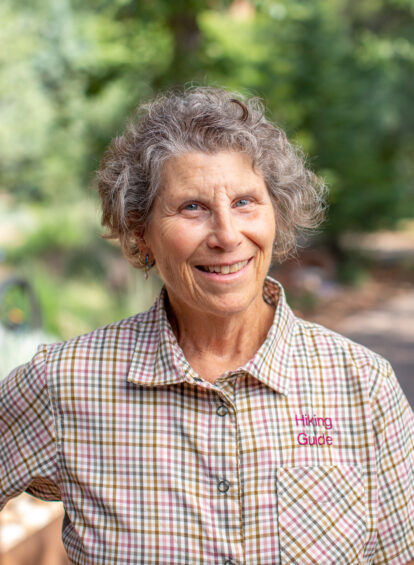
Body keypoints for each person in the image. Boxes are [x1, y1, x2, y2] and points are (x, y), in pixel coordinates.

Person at [1, 86, 413, 565]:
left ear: (275, 215)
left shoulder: (363, 386)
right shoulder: (64, 384)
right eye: (192, 207)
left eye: (244, 202)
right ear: (141, 231)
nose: (226, 235)